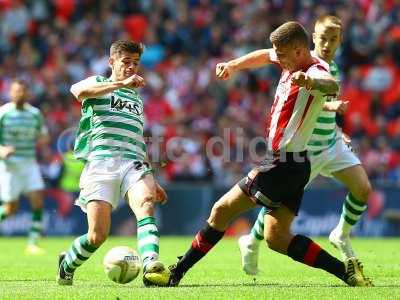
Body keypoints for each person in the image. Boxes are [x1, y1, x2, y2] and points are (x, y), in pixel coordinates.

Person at [145, 21, 372, 287]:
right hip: (298, 165)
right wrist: (233, 65)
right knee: (277, 238)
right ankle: (347, 273)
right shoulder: (289, 58)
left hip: (281, 163)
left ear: (299, 50)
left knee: (221, 210)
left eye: (283, 53)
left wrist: (310, 80)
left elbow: (329, 83)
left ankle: (175, 273)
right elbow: (265, 54)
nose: (278, 58)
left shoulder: (314, 68)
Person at [238, 15, 373, 276]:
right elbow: (306, 100)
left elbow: (317, 106)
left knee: (363, 189)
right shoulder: (304, 61)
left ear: (340, 41)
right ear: (313, 37)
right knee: (275, 205)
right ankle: (251, 241)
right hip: (307, 151)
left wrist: (337, 127)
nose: (327, 43)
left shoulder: (334, 67)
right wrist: (233, 65)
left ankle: (341, 235)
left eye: (333, 39)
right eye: (323, 38)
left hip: (332, 145)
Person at [57, 40, 169, 286]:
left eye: (135, 63)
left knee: (146, 204)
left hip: (133, 163)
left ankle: (151, 265)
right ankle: (67, 265)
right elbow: (78, 92)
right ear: (111, 62)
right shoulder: (98, 83)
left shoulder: (137, 100)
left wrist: (151, 177)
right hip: (101, 163)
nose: (131, 68)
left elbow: (136, 139)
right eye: (126, 62)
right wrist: (119, 84)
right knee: (97, 236)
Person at [0, 79, 49, 255]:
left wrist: (44, 141)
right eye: (15, 91)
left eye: (22, 91)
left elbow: (43, 135)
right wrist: (2, 149)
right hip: (9, 166)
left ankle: (33, 243)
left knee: (38, 202)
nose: (19, 94)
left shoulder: (35, 114)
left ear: (27, 93)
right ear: (10, 93)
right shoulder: (3, 113)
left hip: (29, 163)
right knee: (10, 209)